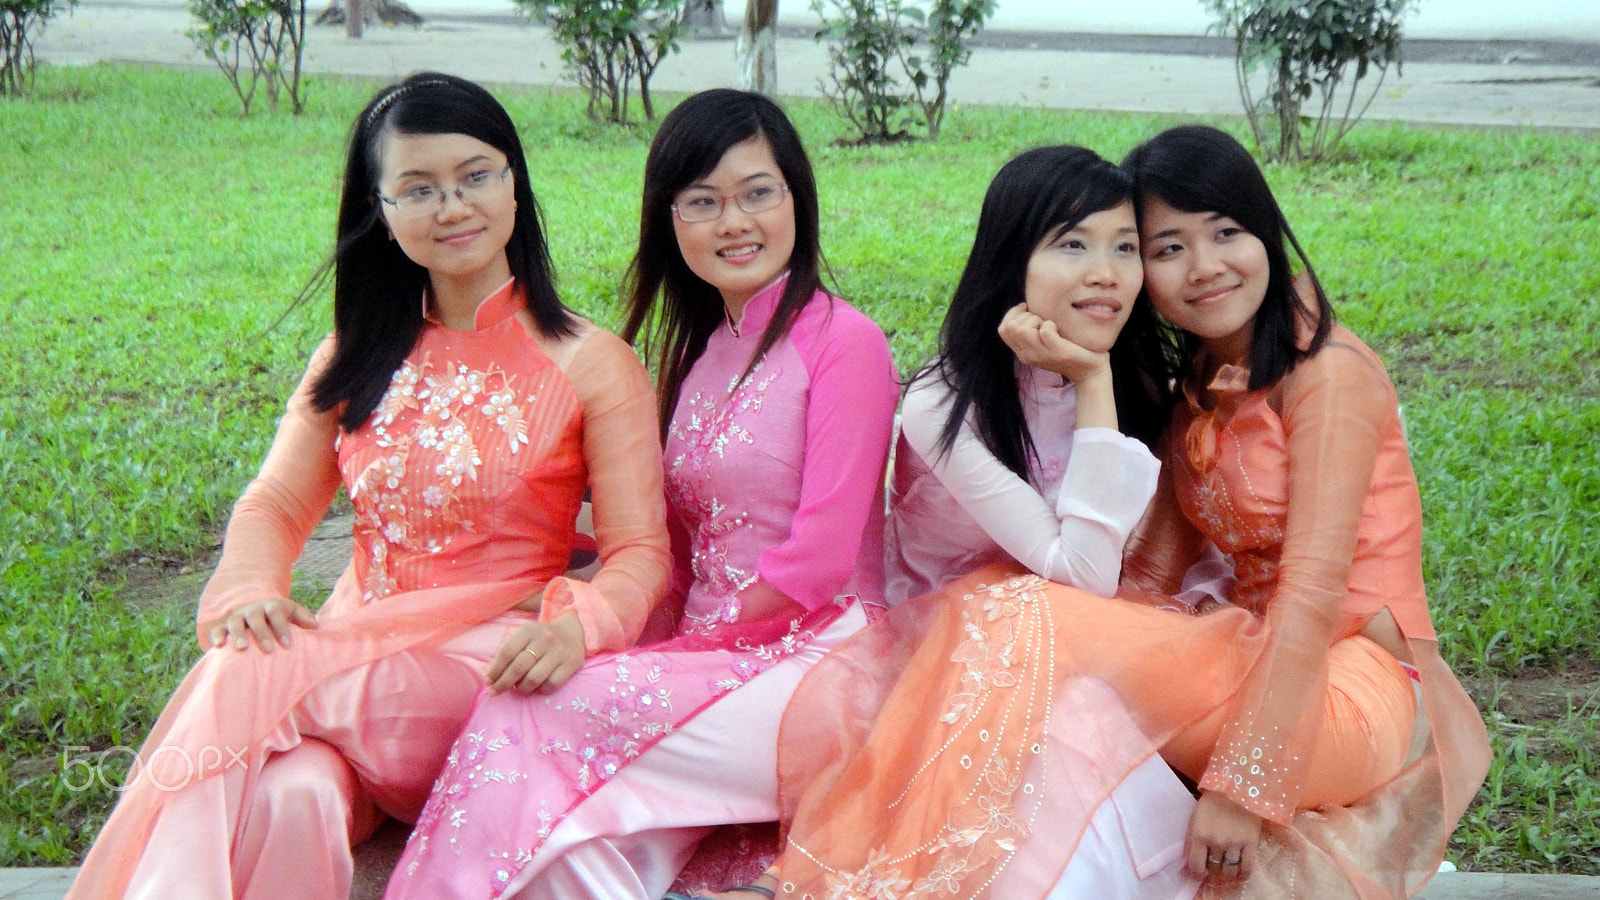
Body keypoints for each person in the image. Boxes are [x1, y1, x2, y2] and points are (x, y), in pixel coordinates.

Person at [768, 127, 1490, 900]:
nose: (1205, 268)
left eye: (1226, 234)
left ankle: (816, 878)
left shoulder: (1328, 375)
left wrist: (1241, 791)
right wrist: (1079, 661)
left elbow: (1312, 600)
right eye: (1169, 248)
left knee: (1015, 611)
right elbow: (1143, 576)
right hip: (1250, 662)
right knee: (1017, 633)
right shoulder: (1201, 380)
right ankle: (883, 879)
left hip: (1355, 685)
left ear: (1268, 236)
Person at [64, 73, 672, 900]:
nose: (453, 205)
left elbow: (640, 551)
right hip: (354, 660)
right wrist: (248, 588)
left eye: (477, 175)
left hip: (487, 677)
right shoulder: (356, 353)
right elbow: (275, 503)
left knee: (248, 673)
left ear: (516, 186)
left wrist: (582, 626)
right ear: (380, 212)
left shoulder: (591, 362)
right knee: (293, 794)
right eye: (418, 188)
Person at [384, 88, 899, 900]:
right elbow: (677, 548)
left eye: (758, 193)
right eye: (703, 202)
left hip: (813, 659)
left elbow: (821, 559)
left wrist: (670, 657)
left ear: (797, 198)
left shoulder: (845, 342)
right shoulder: (698, 359)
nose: (735, 222)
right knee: (572, 847)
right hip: (714, 662)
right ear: (670, 221)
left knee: (531, 712)